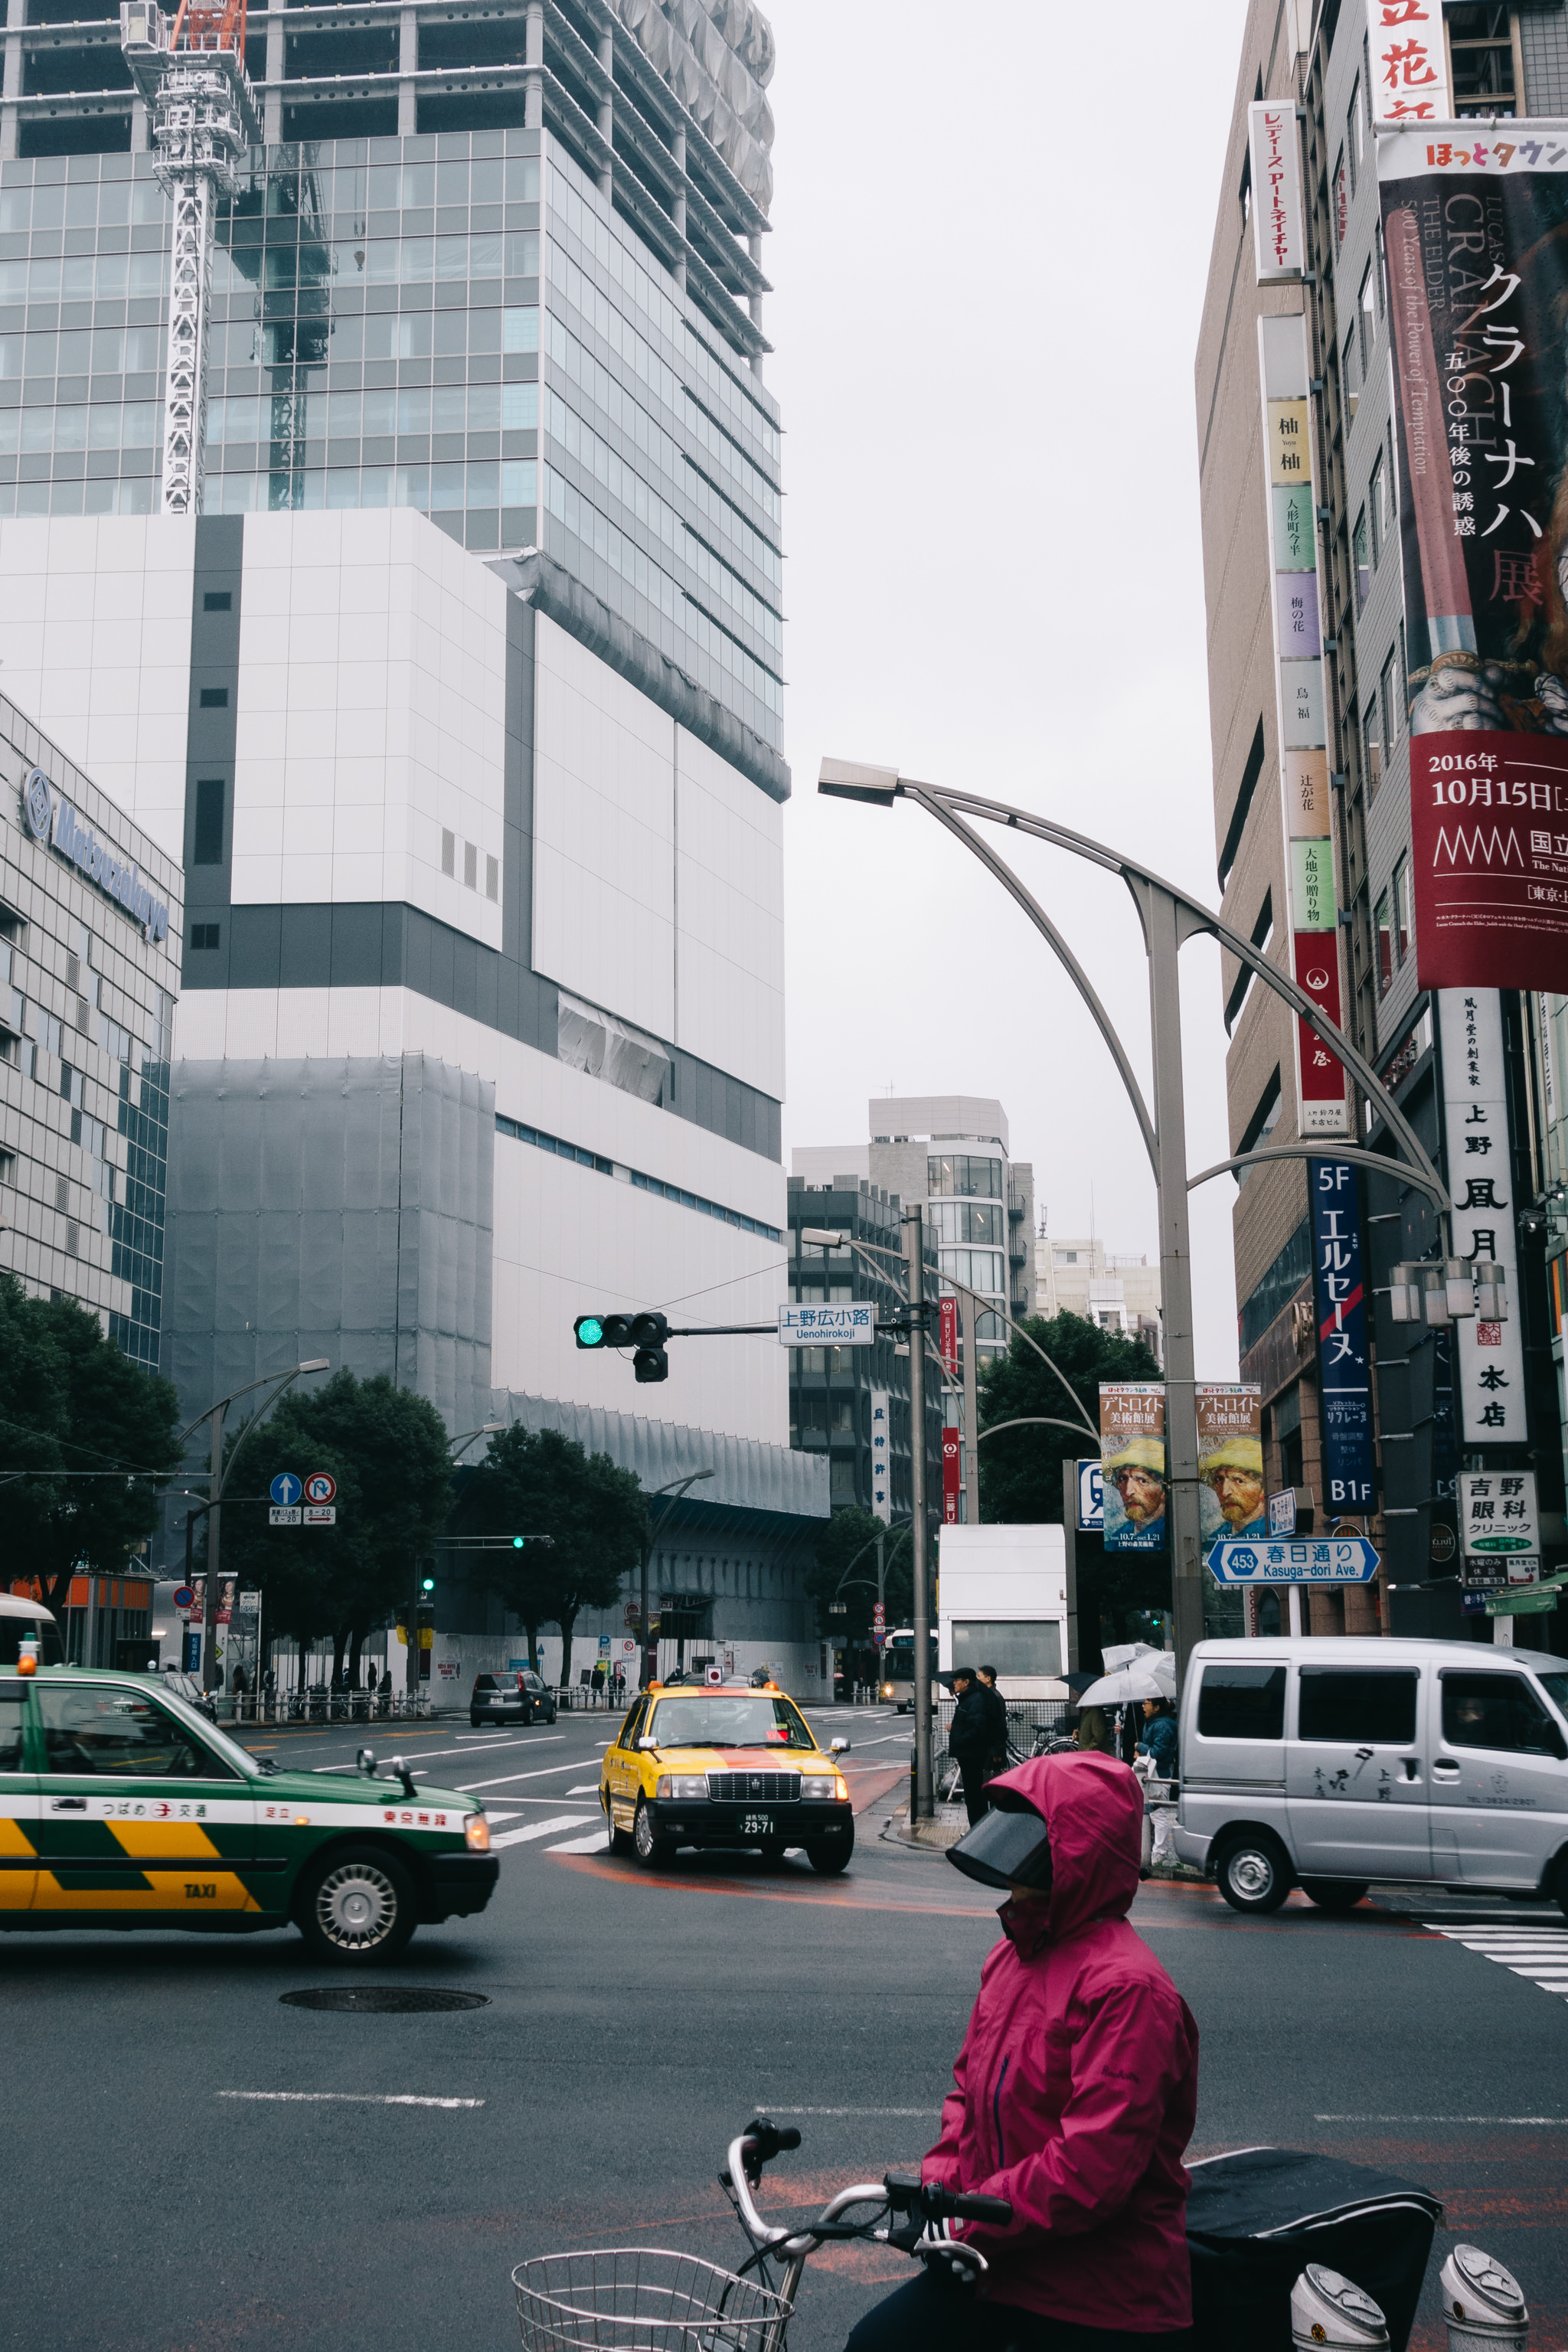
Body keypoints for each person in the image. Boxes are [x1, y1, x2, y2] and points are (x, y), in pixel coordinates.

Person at [846, 1751, 1198, 2352]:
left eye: (1036, 1839)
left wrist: (967, 2221)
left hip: (1100, 2296)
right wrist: (942, 2196)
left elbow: (1093, 2167)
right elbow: (967, 2098)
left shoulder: (1128, 1989)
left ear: (1078, 1855)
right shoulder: (1012, 1956)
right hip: (997, 2259)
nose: (1014, 1859)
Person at [946, 1670, 997, 1828]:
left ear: (966, 1682)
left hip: (971, 1754)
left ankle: (977, 1830)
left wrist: (959, 1738)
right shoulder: (967, 1699)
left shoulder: (974, 1700)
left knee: (974, 1796)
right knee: (973, 1795)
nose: (954, 1683)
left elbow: (977, 1728)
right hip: (968, 1754)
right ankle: (976, 1829)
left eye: (957, 1680)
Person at [976, 1664, 1011, 1782]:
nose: (977, 1678)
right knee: (986, 1779)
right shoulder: (986, 1695)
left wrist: (997, 1751)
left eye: (979, 1676)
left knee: (991, 1780)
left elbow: (999, 1725)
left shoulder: (995, 1697)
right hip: (986, 1746)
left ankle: (992, 1801)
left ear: (988, 1679)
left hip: (991, 1749)